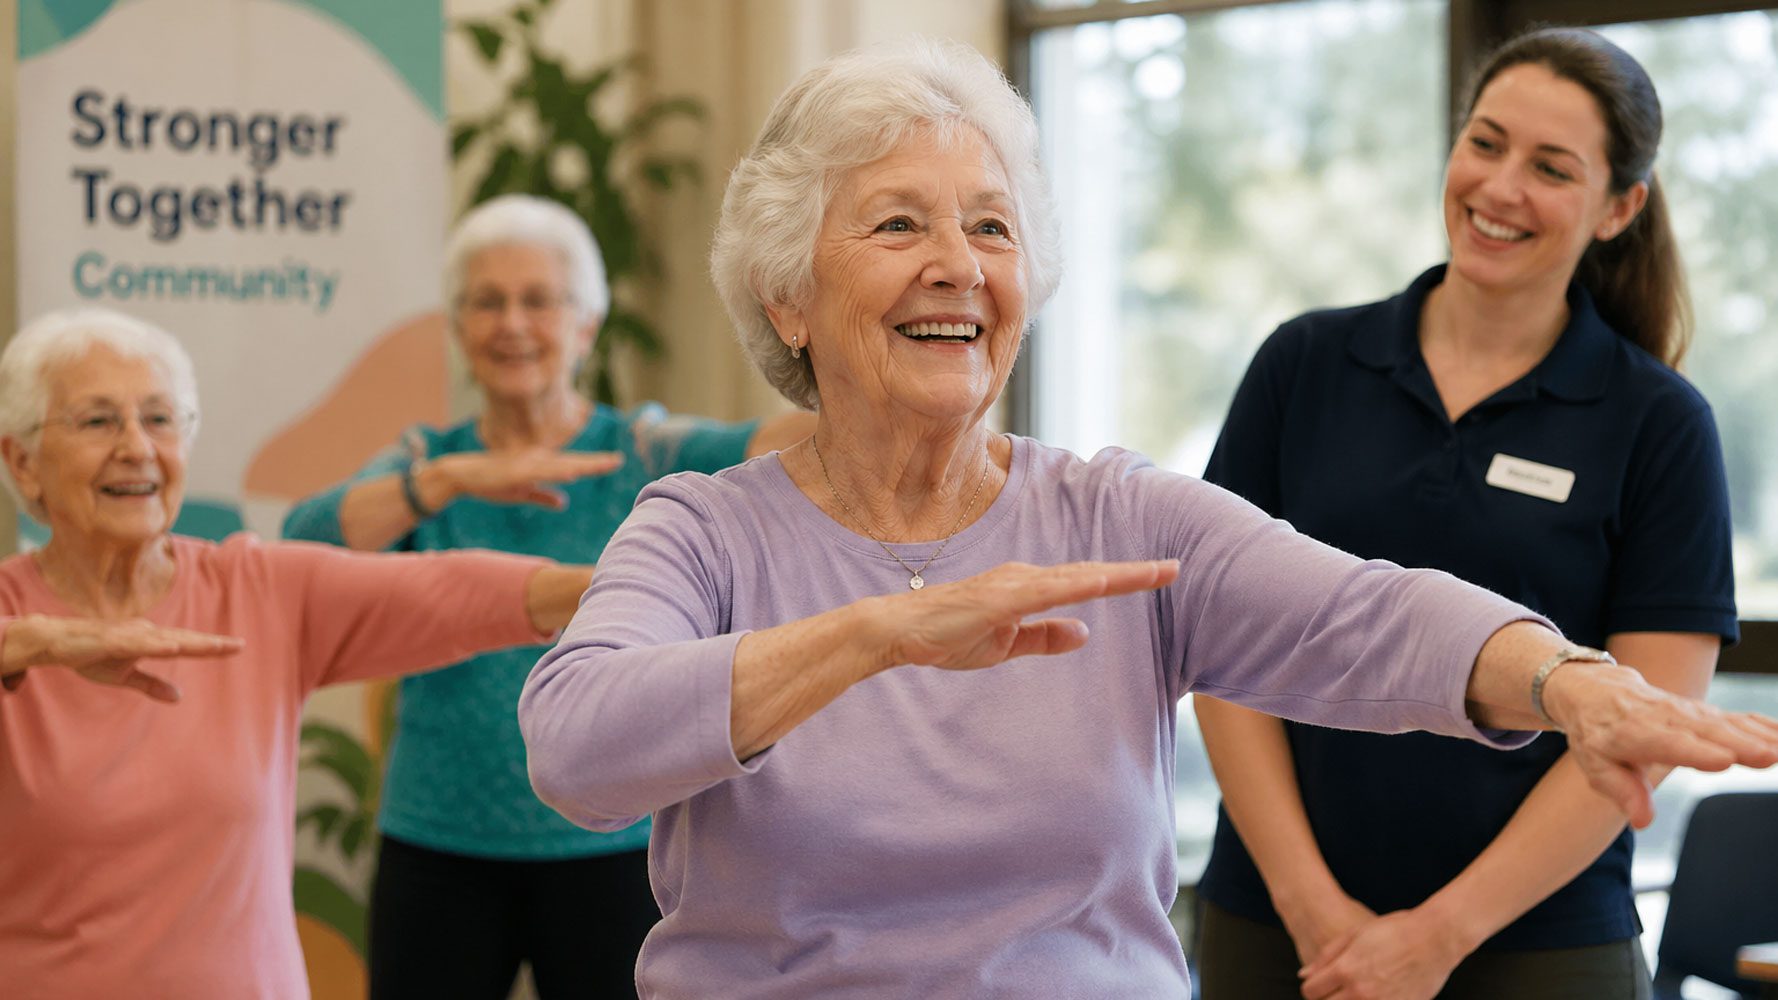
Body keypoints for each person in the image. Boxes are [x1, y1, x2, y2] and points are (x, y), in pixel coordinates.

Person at [515, 38, 1778, 999]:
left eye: (991, 227)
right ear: (787, 295)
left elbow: (1360, 611)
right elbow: (575, 747)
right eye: (898, 223)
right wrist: (877, 634)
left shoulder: (1109, 516)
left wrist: (1558, 677)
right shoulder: (701, 532)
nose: (957, 262)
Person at [1190, 28, 1733, 1000]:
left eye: (1550, 167)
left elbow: (1638, 721)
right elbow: (1222, 644)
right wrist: (1309, 905)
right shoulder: (1303, 365)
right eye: (1484, 143)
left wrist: (1437, 936)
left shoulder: (1657, 425)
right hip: (1277, 928)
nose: (1499, 187)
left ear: (1619, 208)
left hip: (1536, 945)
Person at [282, 193, 811, 999]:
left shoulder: (642, 448)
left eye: (539, 300)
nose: (512, 323)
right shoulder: (428, 462)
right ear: (459, 328)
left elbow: (793, 440)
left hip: (614, 839)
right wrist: (451, 481)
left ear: (587, 324)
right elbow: (301, 543)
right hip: (437, 843)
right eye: (487, 302)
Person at [0, 307, 596, 999]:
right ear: (22, 461)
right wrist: (23, 645)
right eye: (97, 421)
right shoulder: (12, 618)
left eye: (160, 420)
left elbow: (450, 590)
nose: (136, 447)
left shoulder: (255, 590)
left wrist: (637, 584)